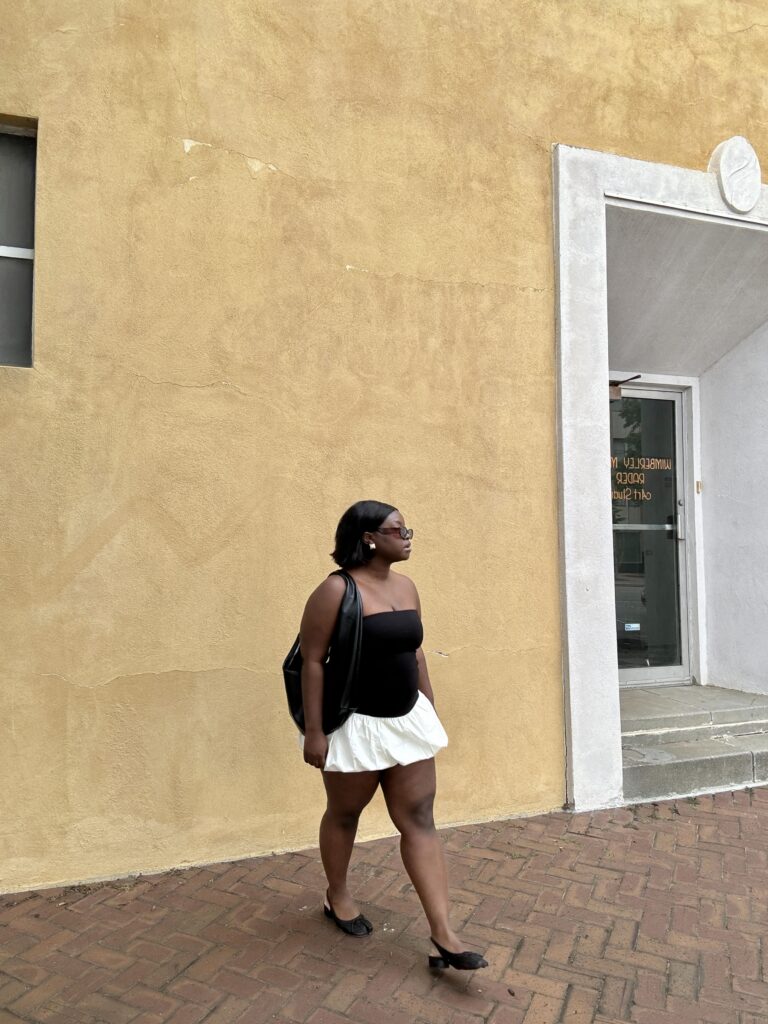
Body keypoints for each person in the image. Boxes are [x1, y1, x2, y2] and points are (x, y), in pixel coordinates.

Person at [298, 500, 488, 971]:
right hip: (354, 723)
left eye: (407, 530)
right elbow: (312, 661)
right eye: (397, 530)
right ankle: (337, 895)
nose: (406, 538)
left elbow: (416, 653)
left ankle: (443, 933)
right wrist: (315, 732)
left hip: (406, 719)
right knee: (345, 813)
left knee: (419, 817)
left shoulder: (406, 586)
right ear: (369, 538)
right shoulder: (335, 590)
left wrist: (429, 708)